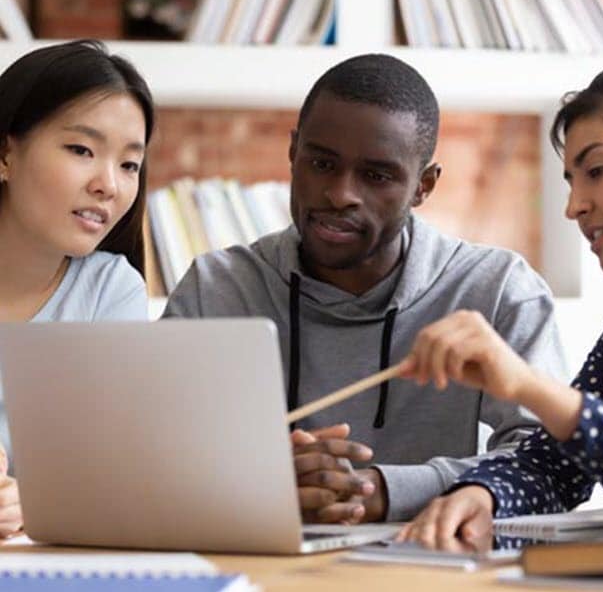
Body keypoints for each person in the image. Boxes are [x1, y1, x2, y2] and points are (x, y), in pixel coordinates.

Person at [164, 53, 568, 524]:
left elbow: (549, 464)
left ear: (424, 186)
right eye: (321, 163)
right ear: (293, 154)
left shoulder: (497, 291)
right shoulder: (215, 289)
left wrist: (383, 491)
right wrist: (254, 479)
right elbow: (148, 458)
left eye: (377, 176)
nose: (340, 194)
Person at [398, 57, 603, 549]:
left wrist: (529, 385)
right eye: (571, 181)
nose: (574, 205)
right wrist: (485, 495)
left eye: (598, 170)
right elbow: (555, 466)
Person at [0, 39, 156, 536]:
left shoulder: (112, 293)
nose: (108, 184)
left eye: (129, 164)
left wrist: (30, 501)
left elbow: (110, 472)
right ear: (6, 153)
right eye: (82, 150)